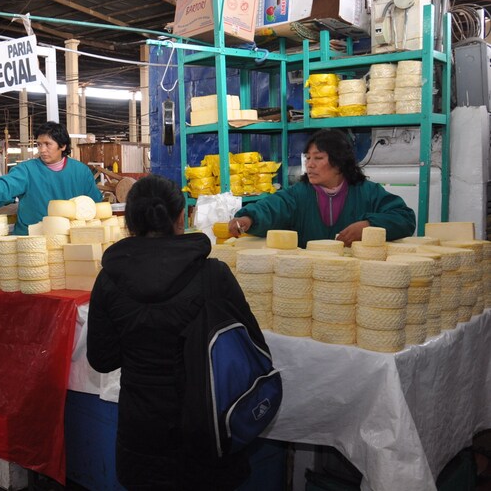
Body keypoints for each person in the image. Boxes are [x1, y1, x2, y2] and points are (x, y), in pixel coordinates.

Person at [87, 174, 262, 490]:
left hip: (142, 431)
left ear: (130, 222)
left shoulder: (109, 279)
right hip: (206, 425)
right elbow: (251, 346)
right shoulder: (213, 274)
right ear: (182, 217)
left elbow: (102, 358)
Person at [228, 129, 416, 248]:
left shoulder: (367, 192)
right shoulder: (299, 194)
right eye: (308, 158)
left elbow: (404, 217)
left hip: (357, 281)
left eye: (318, 158)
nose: (310, 165)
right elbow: (273, 207)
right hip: (312, 282)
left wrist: (369, 226)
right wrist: (248, 218)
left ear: (340, 162)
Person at [0, 121, 101, 235]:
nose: (42, 150)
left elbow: (95, 205)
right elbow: (5, 186)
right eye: (39, 144)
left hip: (68, 239)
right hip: (30, 240)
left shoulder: (81, 172)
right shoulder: (27, 170)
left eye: (47, 144)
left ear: (63, 146)